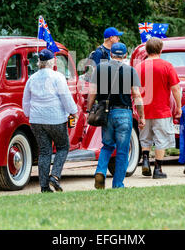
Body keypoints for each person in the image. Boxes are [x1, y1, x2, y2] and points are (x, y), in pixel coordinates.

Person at [87, 42, 145, 189]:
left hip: (106, 113)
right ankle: (118, 184)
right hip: (124, 112)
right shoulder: (130, 70)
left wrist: (89, 109)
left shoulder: (99, 69)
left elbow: (92, 93)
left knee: (107, 146)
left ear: (111, 54)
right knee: (122, 150)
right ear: (125, 56)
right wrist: (142, 116)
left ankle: (100, 171)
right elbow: (137, 95)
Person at [22, 49, 78, 193]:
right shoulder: (57, 77)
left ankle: (44, 186)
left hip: (36, 120)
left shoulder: (31, 79)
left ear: (39, 62)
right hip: (56, 119)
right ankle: (55, 176)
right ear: (52, 61)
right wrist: (73, 111)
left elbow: (26, 101)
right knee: (63, 147)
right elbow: (65, 97)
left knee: (44, 152)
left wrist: (28, 114)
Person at [135, 37, 182, 179]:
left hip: (144, 109)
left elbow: (134, 89)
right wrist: (179, 107)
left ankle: (144, 160)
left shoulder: (138, 67)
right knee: (161, 139)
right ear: (161, 50)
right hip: (161, 110)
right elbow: (176, 89)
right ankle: (158, 169)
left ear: (146, 50)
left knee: (145, 138)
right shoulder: (167, 66)